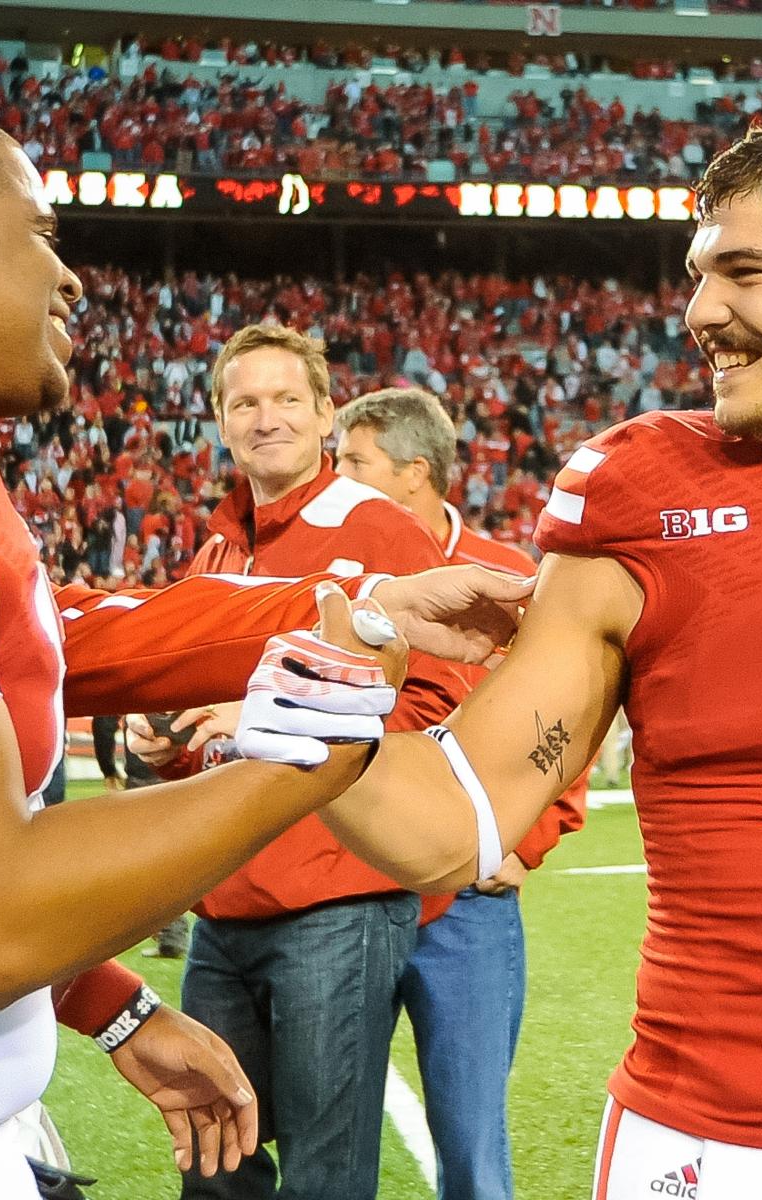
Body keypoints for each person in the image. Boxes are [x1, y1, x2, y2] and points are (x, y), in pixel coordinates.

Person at [265, 115, 762, 1200]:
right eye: (697, 275)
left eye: (743, 272)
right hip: (699, 1155)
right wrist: (331, 694)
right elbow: (453, 826)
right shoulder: (645, 488)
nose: (699, 313)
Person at [0, 106, 530, 1200]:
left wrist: (370, 602)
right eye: (41, 234)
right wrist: (302, 763)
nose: (70, 281)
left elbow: (68, 633)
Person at [126, 328, 470, 1200]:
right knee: (212, 1164)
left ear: (325, 414)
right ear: (220, 424)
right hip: (226, 900)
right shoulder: (215, 552)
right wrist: (167, 742)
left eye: (287, 399)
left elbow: (438, 708)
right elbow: (213, 741)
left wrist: (266, 714)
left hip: (337, 899)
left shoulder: (379, 530)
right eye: (245, 402)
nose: (266, 418)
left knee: (325, 1173)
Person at [335, 386, 586, 1200]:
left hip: (470, 910)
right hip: (345, 899)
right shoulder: (330, 580)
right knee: (330, 1149)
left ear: (415, 474)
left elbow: (575, 727)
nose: (336, 478)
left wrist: (526, 840)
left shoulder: (509, 577)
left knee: (473, 1149)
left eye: (353, 463)